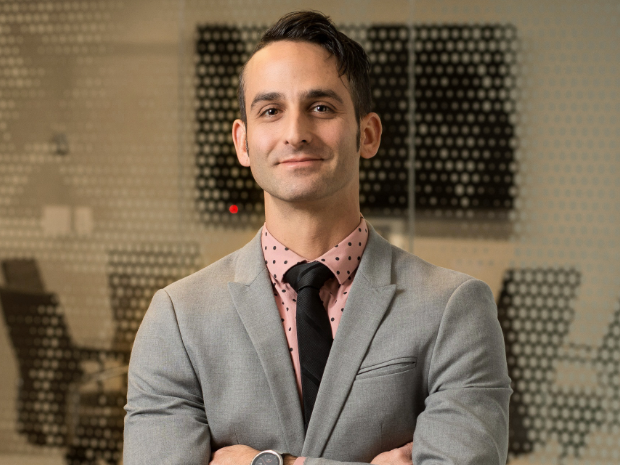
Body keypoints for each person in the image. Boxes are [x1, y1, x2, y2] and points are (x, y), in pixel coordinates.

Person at [124, 11, 511, 465]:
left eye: (321, 108)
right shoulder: (177, 319)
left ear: (368, 134)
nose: (295, 134)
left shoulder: (454, 309)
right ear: (242, 143)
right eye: (271, 111)